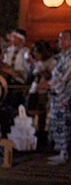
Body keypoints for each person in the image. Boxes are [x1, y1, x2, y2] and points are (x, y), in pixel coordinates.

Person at [37, 30, 71, 164]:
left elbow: (64, 77)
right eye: (59, 39)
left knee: (64, 125)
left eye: (64, 39)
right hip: (58, 94)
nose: (60, 42)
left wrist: (49, 84)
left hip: (65, 95)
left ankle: (64, 154)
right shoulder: (62, 56)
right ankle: (61, 152)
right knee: (58, 123)